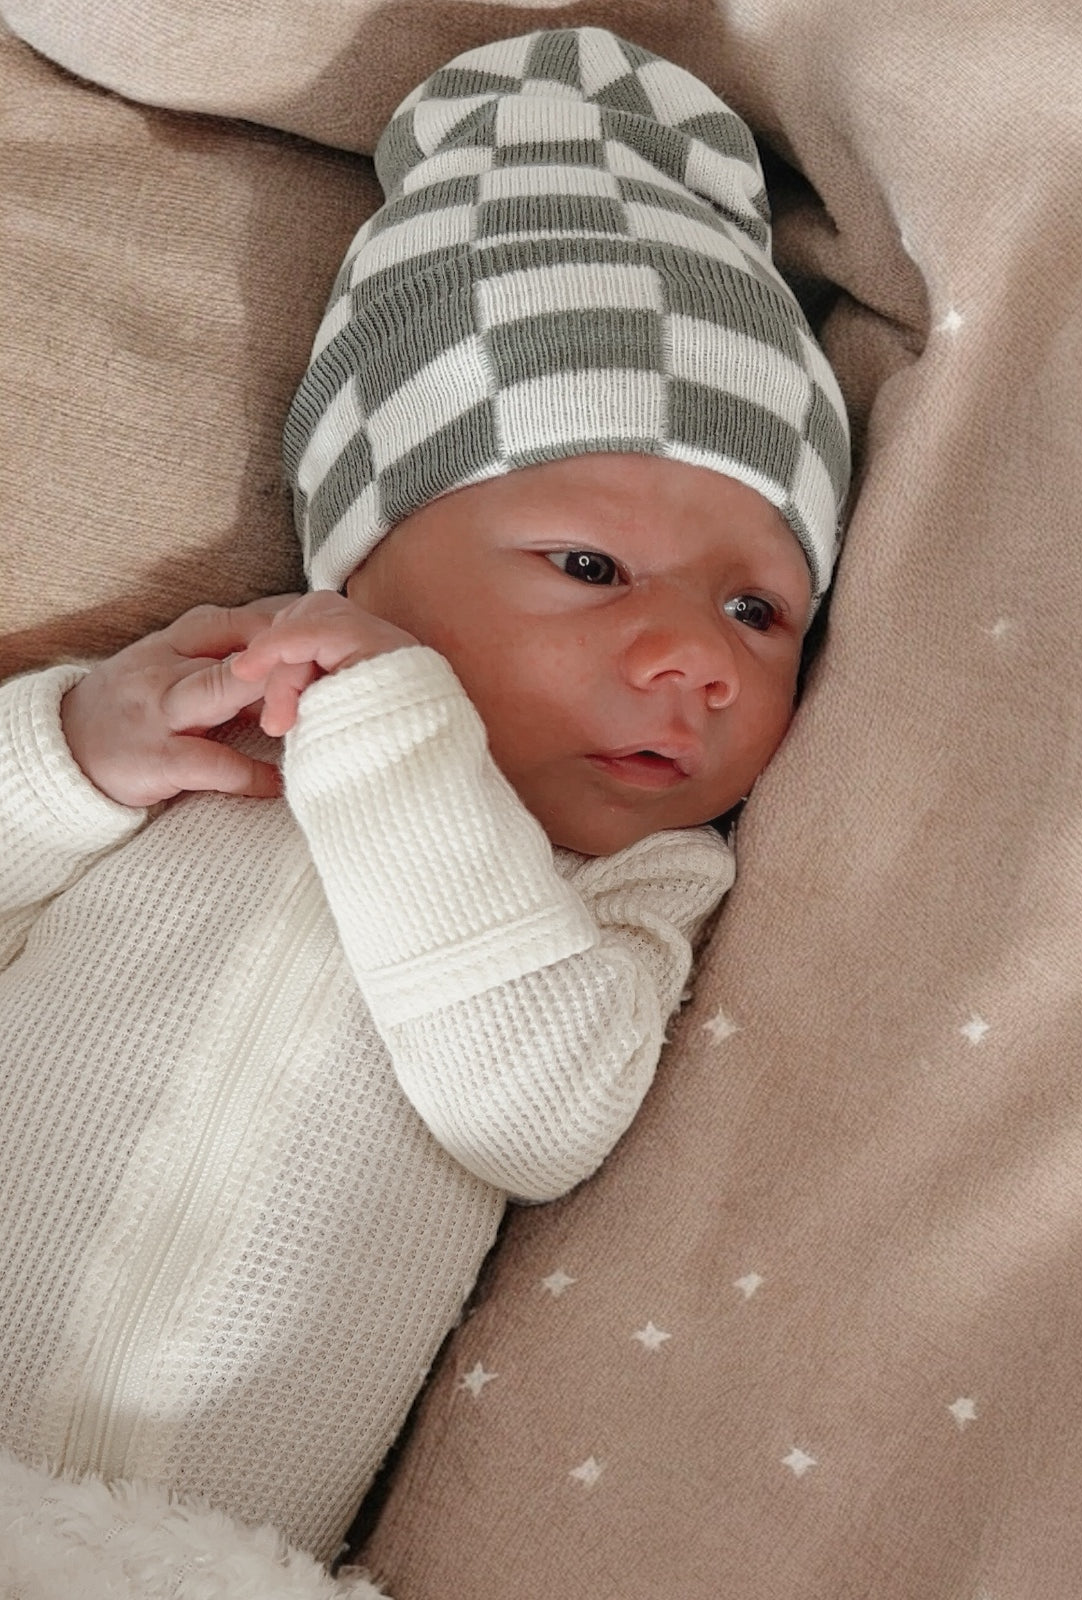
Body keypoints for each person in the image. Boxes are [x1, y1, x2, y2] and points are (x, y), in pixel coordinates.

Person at [0, 26, 849, 1561]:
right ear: (366, 559)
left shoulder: (635, 883)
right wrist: (70, 749)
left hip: (186, 1550)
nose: (692, 662)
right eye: (590, 568)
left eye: (758, 614)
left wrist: (399, 742)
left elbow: (532, 1118)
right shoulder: (191, 729)